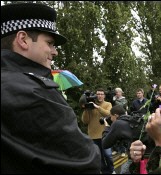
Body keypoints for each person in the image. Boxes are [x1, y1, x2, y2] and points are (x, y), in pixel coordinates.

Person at [1, 3, 100, 174]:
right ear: (23, 39)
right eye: (50, 43)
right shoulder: (35, 92)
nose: (55, 52)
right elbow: (85, 161)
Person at [102, 105, 155, 174]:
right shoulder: (132, 119)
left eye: (111, 116)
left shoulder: (117, 124)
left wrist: (107, 127)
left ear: (115, 115)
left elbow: (105, 144)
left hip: (135, 158)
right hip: (149, 155)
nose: (110, 119)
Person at [81, 88, 115, 174]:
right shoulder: (90, 105)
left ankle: (111, 170)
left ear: (104, 96)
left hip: (105, 134)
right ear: (95, 95)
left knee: (108, 155)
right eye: (98, 94)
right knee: (98, 157)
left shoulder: (108, 104)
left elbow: (109, 114)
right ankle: (105, 172)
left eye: (101, 94)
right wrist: (86, 109)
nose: (99, 96)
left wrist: (97, 107)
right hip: (93, 135)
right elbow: (85, 121)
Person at [111, 87, 128, 157]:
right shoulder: (113, 99)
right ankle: (115, 149)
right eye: (116, 92)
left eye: (118, 92)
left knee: (122, 135)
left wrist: (114, 101)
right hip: (115, 118)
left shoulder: (124, 100)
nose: (116, 93)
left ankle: (123, 150)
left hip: (122, 118)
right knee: (114, 133)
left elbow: (121, 107)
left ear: (121, 92)